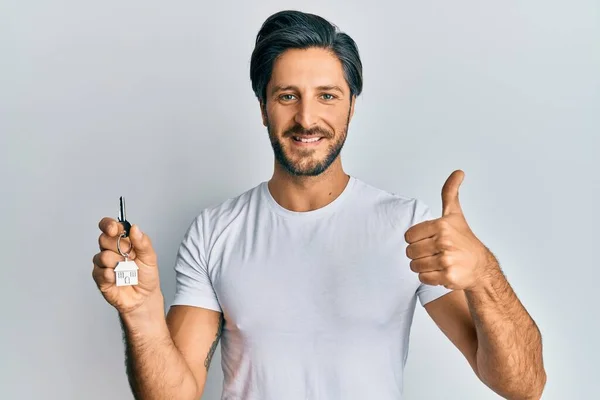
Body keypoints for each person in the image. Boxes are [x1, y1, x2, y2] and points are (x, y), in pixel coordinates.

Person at [92, 10, 546, 400]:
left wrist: (485, 273)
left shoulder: (407, 227)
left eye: (327, 96)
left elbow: (523, 386)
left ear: (352, 106)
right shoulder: (214, 232)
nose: (307, 118)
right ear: (263, 106)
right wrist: (141, 313)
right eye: (287, 96)